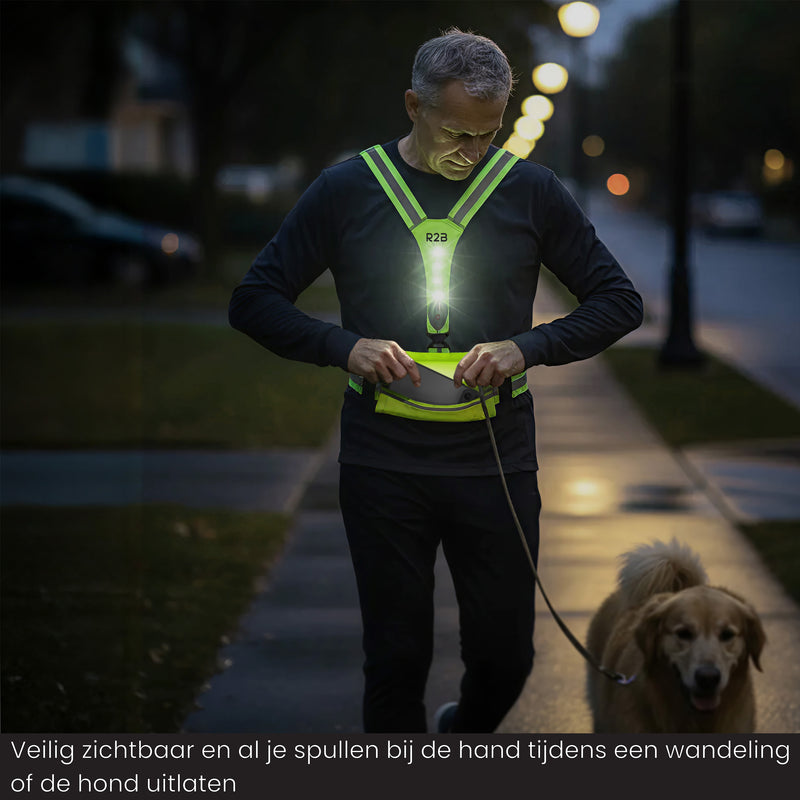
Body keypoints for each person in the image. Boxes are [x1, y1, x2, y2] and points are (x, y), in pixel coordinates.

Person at [229, 28, 643, 734]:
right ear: (412, 106)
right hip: (382, 457)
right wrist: (343, 347)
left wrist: (529, 346)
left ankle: (461, 736)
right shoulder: (346, 188)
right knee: (394, 658)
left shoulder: (532, 191)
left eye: (489, 135)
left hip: (495, 456)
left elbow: (618, 302)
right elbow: (254, 301)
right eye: (457, 133)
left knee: (506, 655)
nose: (473, 153)